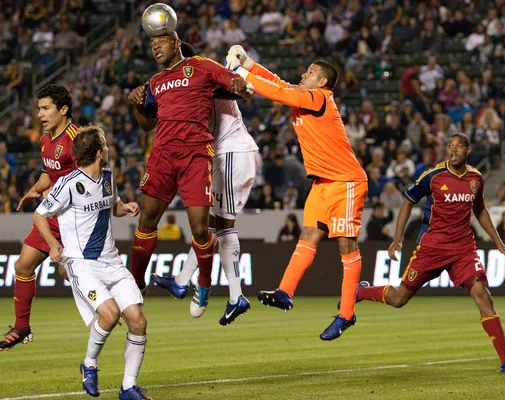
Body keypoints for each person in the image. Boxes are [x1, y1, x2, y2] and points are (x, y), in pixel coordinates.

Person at [226, 45, 368, 340]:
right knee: (307, 237)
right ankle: (284, 292)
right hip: (322, 183)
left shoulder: (320, 98)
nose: (304, 74)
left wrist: (241, 74)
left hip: (346, 181)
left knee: (346, 246)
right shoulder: (307, 95)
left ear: (323, 83)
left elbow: (281, 94)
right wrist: (248, 62)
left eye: (311, 72)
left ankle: (347, 312)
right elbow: (278, 83)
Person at [355, 134, 505, 373]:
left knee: (482, 295)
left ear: (468, 150)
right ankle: (362, 291)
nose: (453, 150)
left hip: (463, 249)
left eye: (458, 146)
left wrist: (499, 243)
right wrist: (397, 239)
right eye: (450, 146)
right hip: (432, 248)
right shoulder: (433, 176)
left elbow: (480, 210)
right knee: (399, 298)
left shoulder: (476, 178)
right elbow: (407, 201)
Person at [127, 31, 248, 314]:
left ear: (176, 43)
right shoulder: (155, 82)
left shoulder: (202, 66)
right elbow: (147, 125)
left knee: (199, 228)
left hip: (195, 154)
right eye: (152, 44)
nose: (156, 47)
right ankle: (135, 284)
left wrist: (239, 83)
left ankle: (203, 283)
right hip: (162, 156)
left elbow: (234, 84)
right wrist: (136, 105)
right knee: (146, 219)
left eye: (161, 42)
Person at [33, 126, 150, 399]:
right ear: (99, 152)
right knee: (108, 315)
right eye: (106, 145)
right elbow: (40, 215)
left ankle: (128, 388)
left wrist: (126, 207)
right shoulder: (68, 184)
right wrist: (53, 244)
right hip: (82, 264)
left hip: (112, 262)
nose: (109, 149)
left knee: (138, 322)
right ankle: (89, 364)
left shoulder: (108, 177)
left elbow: (113, 207)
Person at [151, 42, 258, 326]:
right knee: (209, 227)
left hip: (232, 152)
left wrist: (239, 59)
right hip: (228, 154)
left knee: (222, 226)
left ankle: (236, 296)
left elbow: (238, 81)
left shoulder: (203, 79)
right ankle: (181, 280)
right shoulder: (199, 83)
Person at [0, 84, 78, 351]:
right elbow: (48, 174)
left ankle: (112, 304)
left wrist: (60, 191)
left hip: (74, 217)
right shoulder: (45, 139)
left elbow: (93, 177)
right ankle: (22, 328)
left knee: (69, 272)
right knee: (23, 267)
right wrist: (36, 189)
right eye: (38, 108)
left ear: (63, 110)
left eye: (46, 108)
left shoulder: (77, 139)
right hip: (51, 214)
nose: (40, 114)